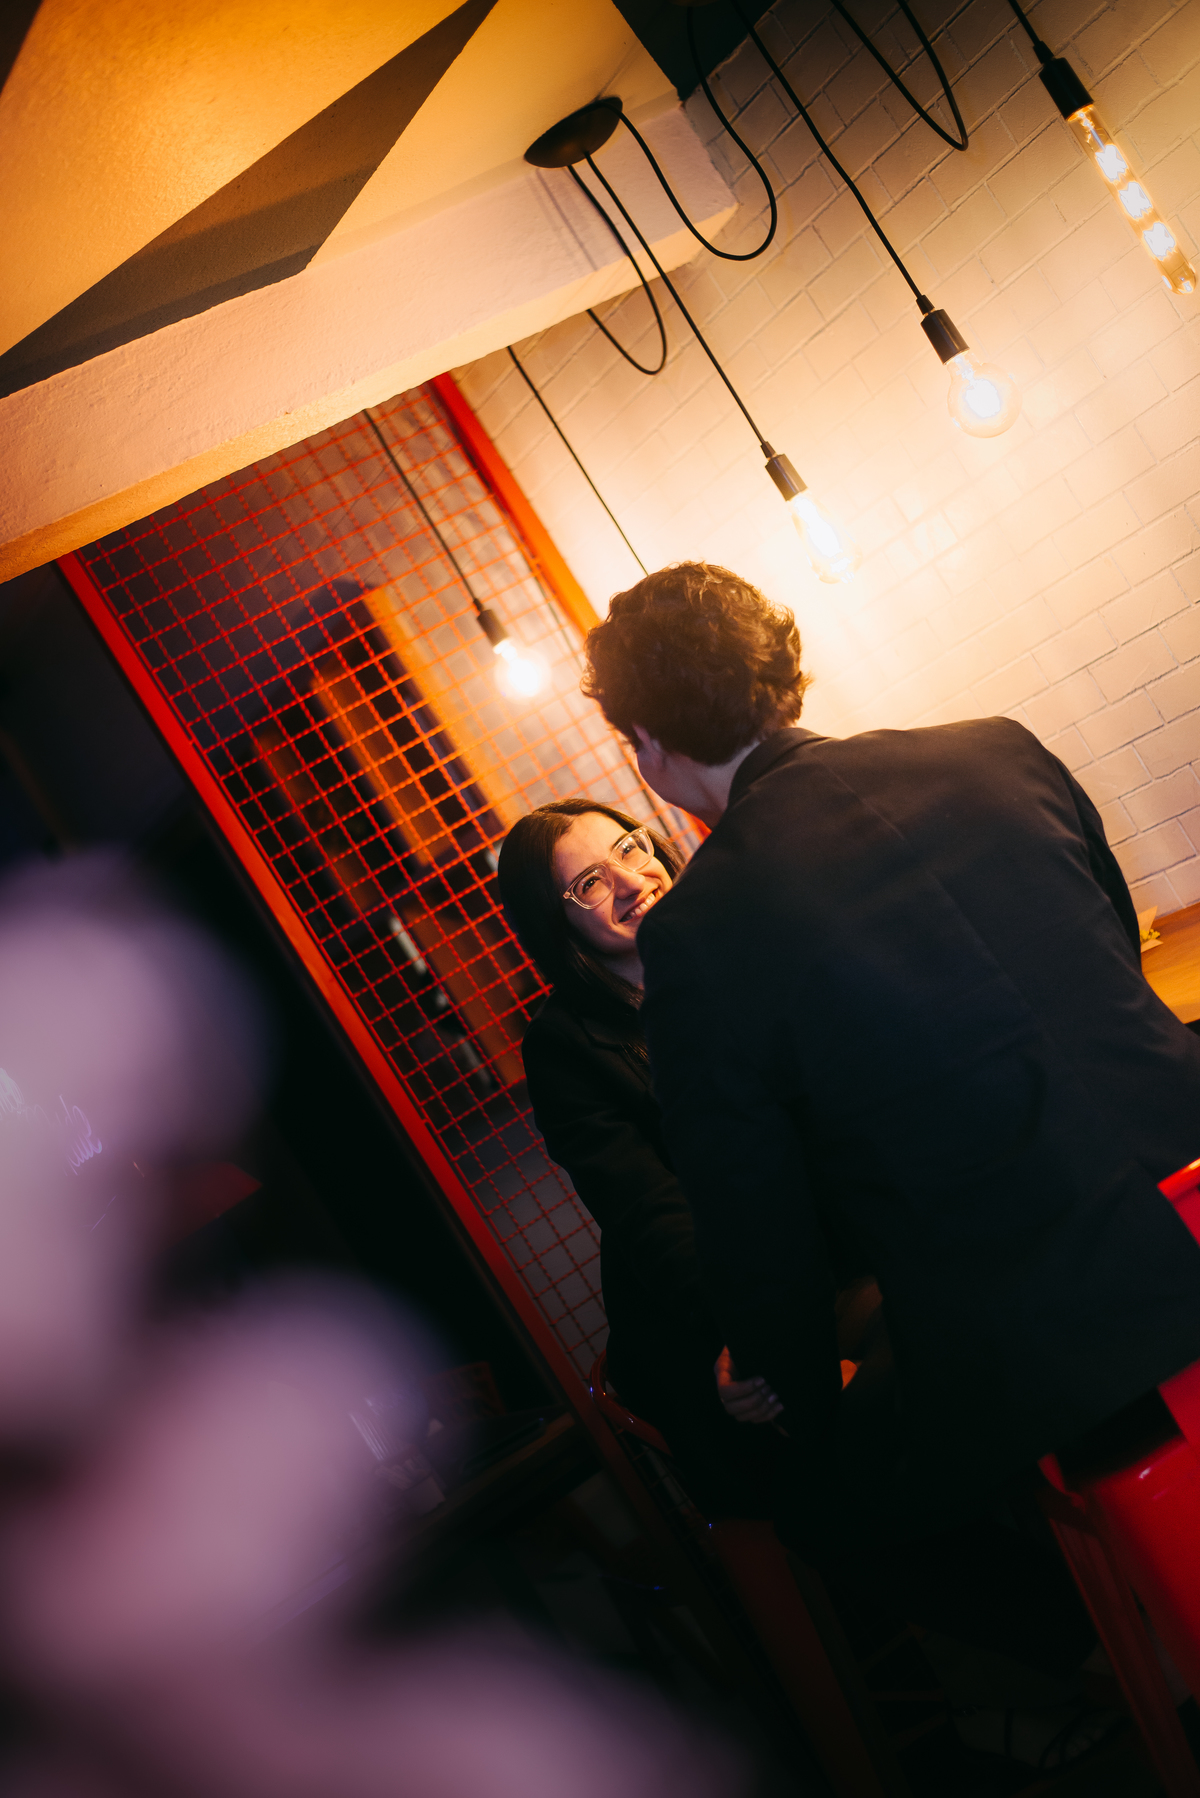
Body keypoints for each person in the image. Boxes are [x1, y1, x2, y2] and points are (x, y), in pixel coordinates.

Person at [579, 560, 1200, 1562]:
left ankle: (1098, 1641)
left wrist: (780, 1375)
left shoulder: (697, 934)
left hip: (1064, 1335)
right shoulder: (998, 749)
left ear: (647, 741)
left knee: (829, 1495)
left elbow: (754, 1217)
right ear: (780, 671)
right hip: (1188, 1193)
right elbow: (1113, 954)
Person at [497, 798, 798, 1517]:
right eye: (590, 883)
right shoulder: (562, 1047)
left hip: (814, 1252)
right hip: (701, 1312)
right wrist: (748, 1325)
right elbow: (651, 1215)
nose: (633, 881)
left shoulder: (739, 949)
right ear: (556, 923)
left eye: (630, 849)